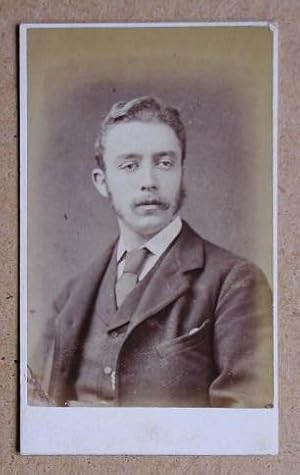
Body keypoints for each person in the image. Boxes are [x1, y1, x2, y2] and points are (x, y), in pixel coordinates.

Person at [29, 96, 273, 408]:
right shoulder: (70, 296)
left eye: (165, 163)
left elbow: (245, 427)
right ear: (102, 182)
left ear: (181, 173)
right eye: (130, 166)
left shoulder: (235, 282)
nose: (149, 181)